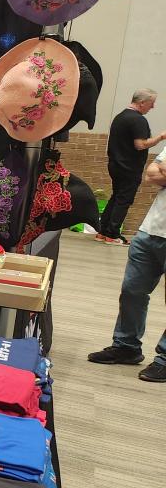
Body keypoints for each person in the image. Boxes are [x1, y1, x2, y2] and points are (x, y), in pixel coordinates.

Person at [88, 149, 166, 381]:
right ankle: (127, 346)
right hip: (150, 231)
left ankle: (164, 359)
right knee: (132, 291)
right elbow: (151, 173)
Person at [98, 89, 166, 244]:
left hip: (115, 165)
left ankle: (102, 231)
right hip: (129, 167)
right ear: (142, 103)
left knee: (116, 197)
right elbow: (140, 145)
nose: (153, 107)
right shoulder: (138, 120)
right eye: (151, 103)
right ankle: (112, 235)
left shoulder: (120, 116)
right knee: (124, 200)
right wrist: (161, 137)